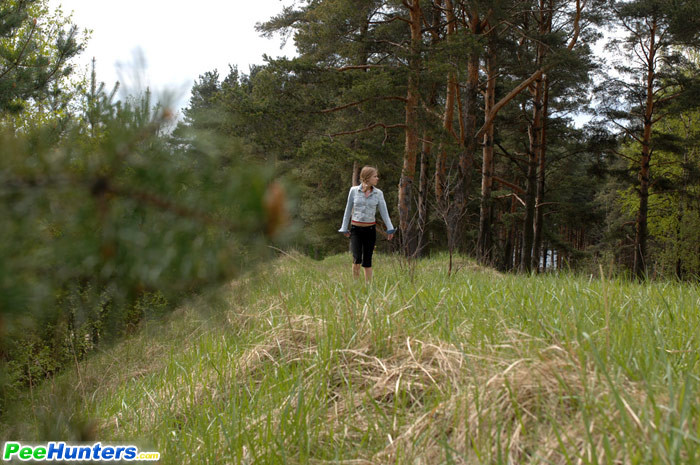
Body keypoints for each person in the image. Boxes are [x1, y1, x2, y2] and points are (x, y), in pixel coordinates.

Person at [338, 166, 396, 282]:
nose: (377, 179)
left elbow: (384, 213)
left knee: (367, 260)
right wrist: (344, 228)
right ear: (367, 178)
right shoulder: (353, 191)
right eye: (375, 176)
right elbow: (348, 210)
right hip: (356, 230)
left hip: (370, 231)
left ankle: (368, 287)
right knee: (357, 258)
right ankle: (355, 284)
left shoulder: (378, 193)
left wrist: (390, 229)